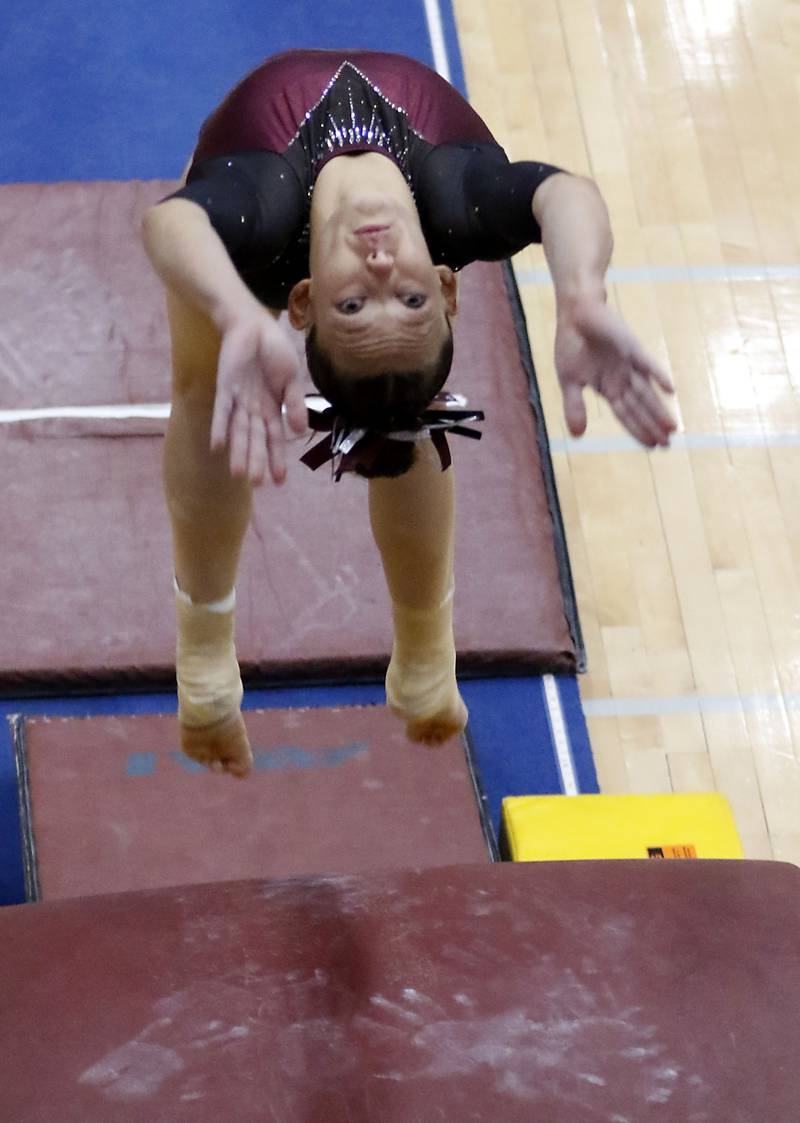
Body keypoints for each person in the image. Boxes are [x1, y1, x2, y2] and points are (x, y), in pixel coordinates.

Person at [142, 48, 675, 778]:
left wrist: (238, 312)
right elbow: (567, 195)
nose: (383, 271)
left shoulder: (261, 215)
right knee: (393, 406)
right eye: (413, 299)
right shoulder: (461, 200)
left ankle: (210, 660)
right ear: (448, 286)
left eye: (353, 305)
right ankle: (411, 658)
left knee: (207, 390)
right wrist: (581, 292)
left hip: (244, 253)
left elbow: (169, 226)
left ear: (303, 300)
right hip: (298, 251)